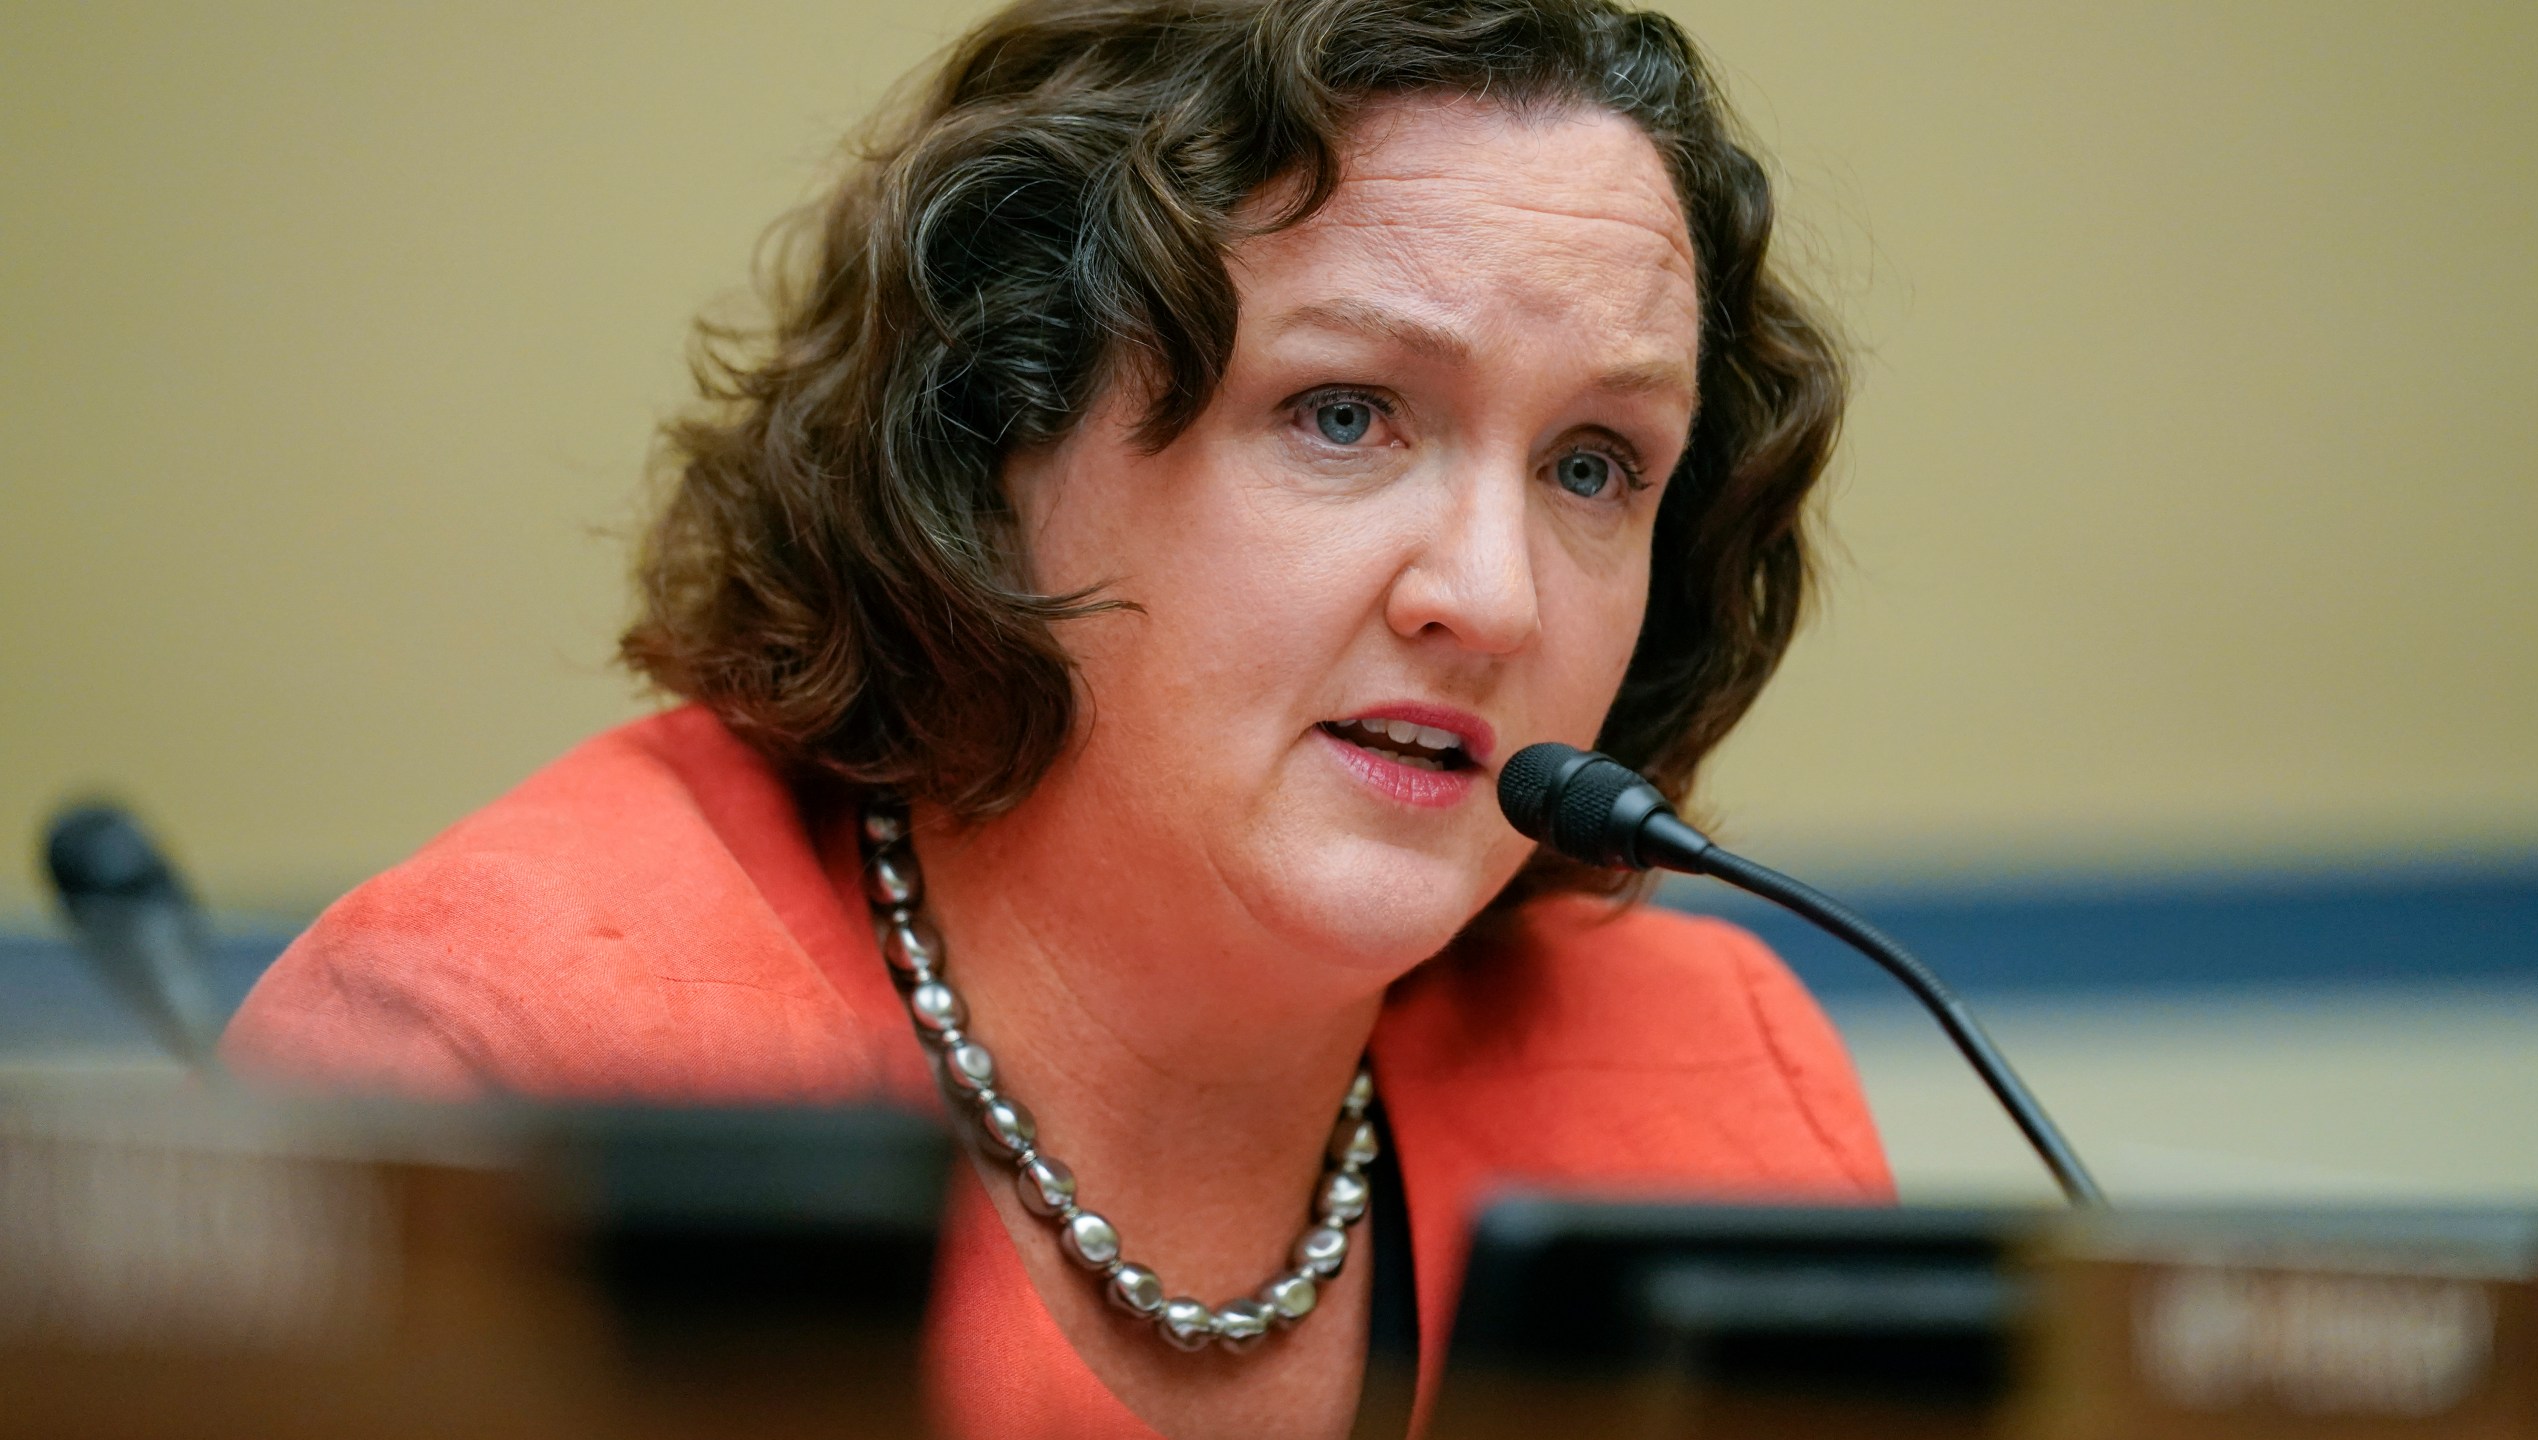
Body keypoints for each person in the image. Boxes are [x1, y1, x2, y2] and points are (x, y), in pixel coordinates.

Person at [222, 0, 1890, 1434]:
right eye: (1343, 413)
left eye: (1594, 466)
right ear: (993, 441)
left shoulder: (1712, 1102)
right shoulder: (502, 1073)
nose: (1495, 595)